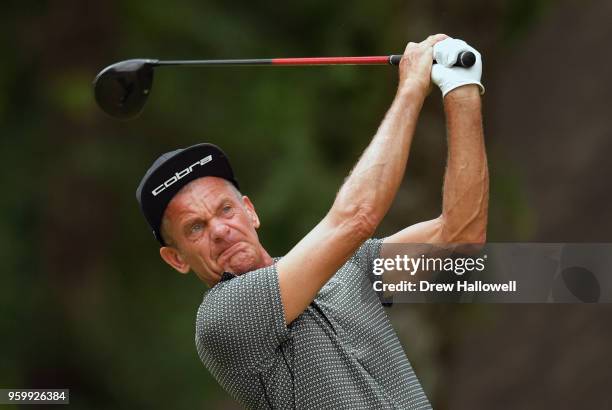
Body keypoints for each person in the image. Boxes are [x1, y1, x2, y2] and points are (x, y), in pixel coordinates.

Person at [135, 34, 488, 409]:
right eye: (195, 228)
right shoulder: (221, 319)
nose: (220, 230)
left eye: (225, 209)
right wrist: (412, 88)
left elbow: (461, 236)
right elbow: (357, 217)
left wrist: (460, 88)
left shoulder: (348, 265)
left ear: (250, 211)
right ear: (176, 258)